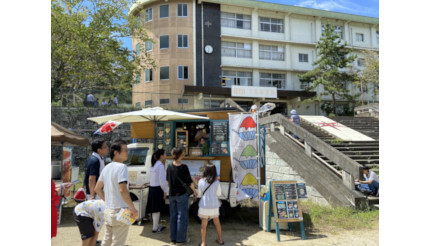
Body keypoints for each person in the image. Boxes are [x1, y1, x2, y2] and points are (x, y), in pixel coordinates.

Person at [94, 140, 138, 246]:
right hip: (120, 210)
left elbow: (97, 188)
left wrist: (107, 200)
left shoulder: (106, 167)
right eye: (125, 150)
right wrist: (133, 208)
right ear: (116, 152)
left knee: (107, 241)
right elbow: (122, 190)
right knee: (118, 242)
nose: (128, 152)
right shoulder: (122, 167)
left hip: (108, 210)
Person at [166, 147, 197, 245]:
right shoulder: (184, 167)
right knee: (181, 218)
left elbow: (167, 182)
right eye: (182, 154)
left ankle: (173, 239)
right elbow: (190, 182)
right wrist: (194, 192)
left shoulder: (169, 167)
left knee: (173, 217)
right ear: (179, 155)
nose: (183, 155)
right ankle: (181, 239)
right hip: (182, 195)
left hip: (172, 195)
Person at [198, 165, 224, 246]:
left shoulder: (201, 181)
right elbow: (219, 194)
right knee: (217, 222)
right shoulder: (216, 182)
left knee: (204, 224)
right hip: (214, 205)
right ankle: (220, 240)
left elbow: (199, 194)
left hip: (204, 205)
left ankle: (203, 243)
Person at [146, 149, 168, 233]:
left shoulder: (153, 165)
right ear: (161, 156)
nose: (166, 155)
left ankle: (156, 225)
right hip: (157, 189)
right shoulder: (160, 166)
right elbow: (162, 180)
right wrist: (165, 191)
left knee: (154, 209)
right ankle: (155, 228)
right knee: (156, 209)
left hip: (152, 188)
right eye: (165, 154)